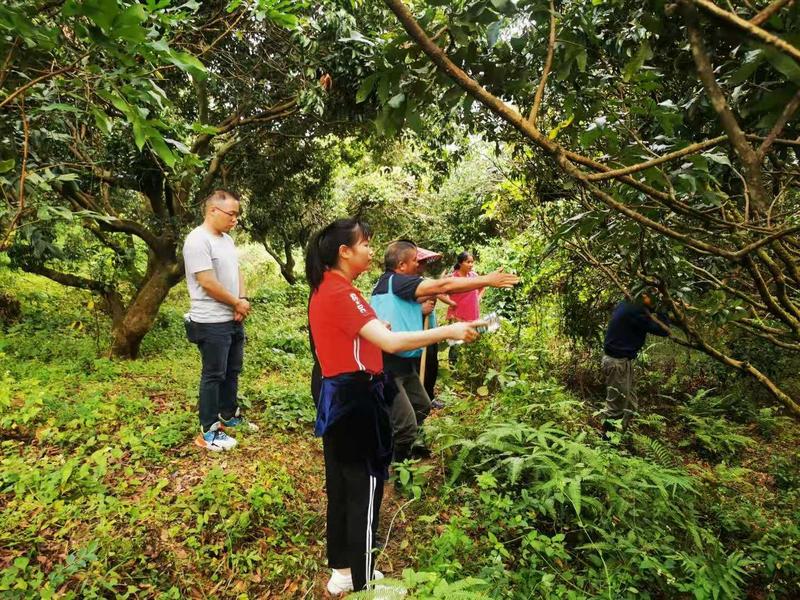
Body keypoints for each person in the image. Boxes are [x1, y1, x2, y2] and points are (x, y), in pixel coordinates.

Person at [305, 218, 483, 594]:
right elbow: (391, 344)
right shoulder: (344, 293)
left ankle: (341, 570)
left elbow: (354, 336)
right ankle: (365, 581)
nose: (371, 250)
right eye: (365, 244)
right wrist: (449, 330)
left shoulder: (325, 288)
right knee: (368, 488)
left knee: (340, 485)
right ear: (344, 251)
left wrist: (376, 327)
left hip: (334, 395)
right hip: (356, 399)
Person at [371, 240, 519, 462]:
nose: (419, 267)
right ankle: (395, 468)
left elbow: (431, 293)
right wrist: (487, 280)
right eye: (415, 261)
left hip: (404, 364)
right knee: (406, 426)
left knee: (422, 405)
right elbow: (443, 286)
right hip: (387, 366)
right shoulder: (395, 281)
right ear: (401, 265)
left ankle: (401, 444)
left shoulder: (394, 285)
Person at [183, 189, 255, 452]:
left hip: (233, 317)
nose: (235, 219)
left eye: (237, 214)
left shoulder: (226, 240)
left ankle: (228, 413)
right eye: (231, 214)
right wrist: (235, 302)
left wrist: (242, 298)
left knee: (232, 369)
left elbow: (237, 271)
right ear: (213, 210)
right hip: (211, 321)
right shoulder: (197, 240)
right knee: (213, 374)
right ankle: (209, 430)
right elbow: (207, 282)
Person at [602, 289, 670, 432]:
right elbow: (664, 330)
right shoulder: (636, 311)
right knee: (616, 408)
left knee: (630, 406)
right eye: (652, 297)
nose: (654, 301)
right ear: (644, 295)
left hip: (622, 361)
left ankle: (618, 439)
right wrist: (664, 309)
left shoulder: (628, 303)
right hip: (617, 363)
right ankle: (607, 445)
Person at [413, 247, 455, 409]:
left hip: (430, 327)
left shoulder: (423, 279)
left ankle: (428, 396)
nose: (422, 266)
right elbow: (408, 302)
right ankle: (418, 400)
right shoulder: (404, 282)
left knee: (432, 363)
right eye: (420, 262)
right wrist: (423, 304)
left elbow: (437, 291)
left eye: (424, 262)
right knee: (418, 366)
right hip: (416, 330)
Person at [446, 251, 484, 366]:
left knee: (472, 340)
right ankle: (453, 368)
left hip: (473, 313)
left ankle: (469, 367)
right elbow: (441, 293)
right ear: (460, 263)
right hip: (457, 315)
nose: (471, 265)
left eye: (472, 262)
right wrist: (450, 302)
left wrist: (478, 297)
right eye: (468, 262)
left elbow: (483, 287)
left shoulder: (474, 276)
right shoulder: (453, 278)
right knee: (455, 343)